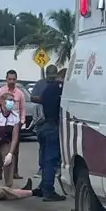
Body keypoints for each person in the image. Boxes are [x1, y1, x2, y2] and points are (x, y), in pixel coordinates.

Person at [36, 67, 65, 201]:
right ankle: (48, 190)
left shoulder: (47, 89)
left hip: (43, 126)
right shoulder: (60, 90)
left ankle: (43, 186)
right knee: (51, 160)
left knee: (44, 159)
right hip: (53, 126)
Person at [0, 70, 26, 180]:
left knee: (14, 149)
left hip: (14, 123)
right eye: (9, 79)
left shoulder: (20, 93)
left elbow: (22, 108)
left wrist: (22, 121)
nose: (11, 81)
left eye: (14, 79)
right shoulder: (0, 92)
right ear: (6, 79)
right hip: (1, 124)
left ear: (16, 79)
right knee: (0, 149)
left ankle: (14, 172)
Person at [30, 65, 60, 177]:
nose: (51, 79)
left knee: (49, 148)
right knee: (45, 148)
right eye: (50, 77)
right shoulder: (42, 84)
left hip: (51, 122)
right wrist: (44, 100)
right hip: (44, 121)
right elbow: (32, 98)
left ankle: (50, 170)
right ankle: (44, 169)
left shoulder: (57, 85)